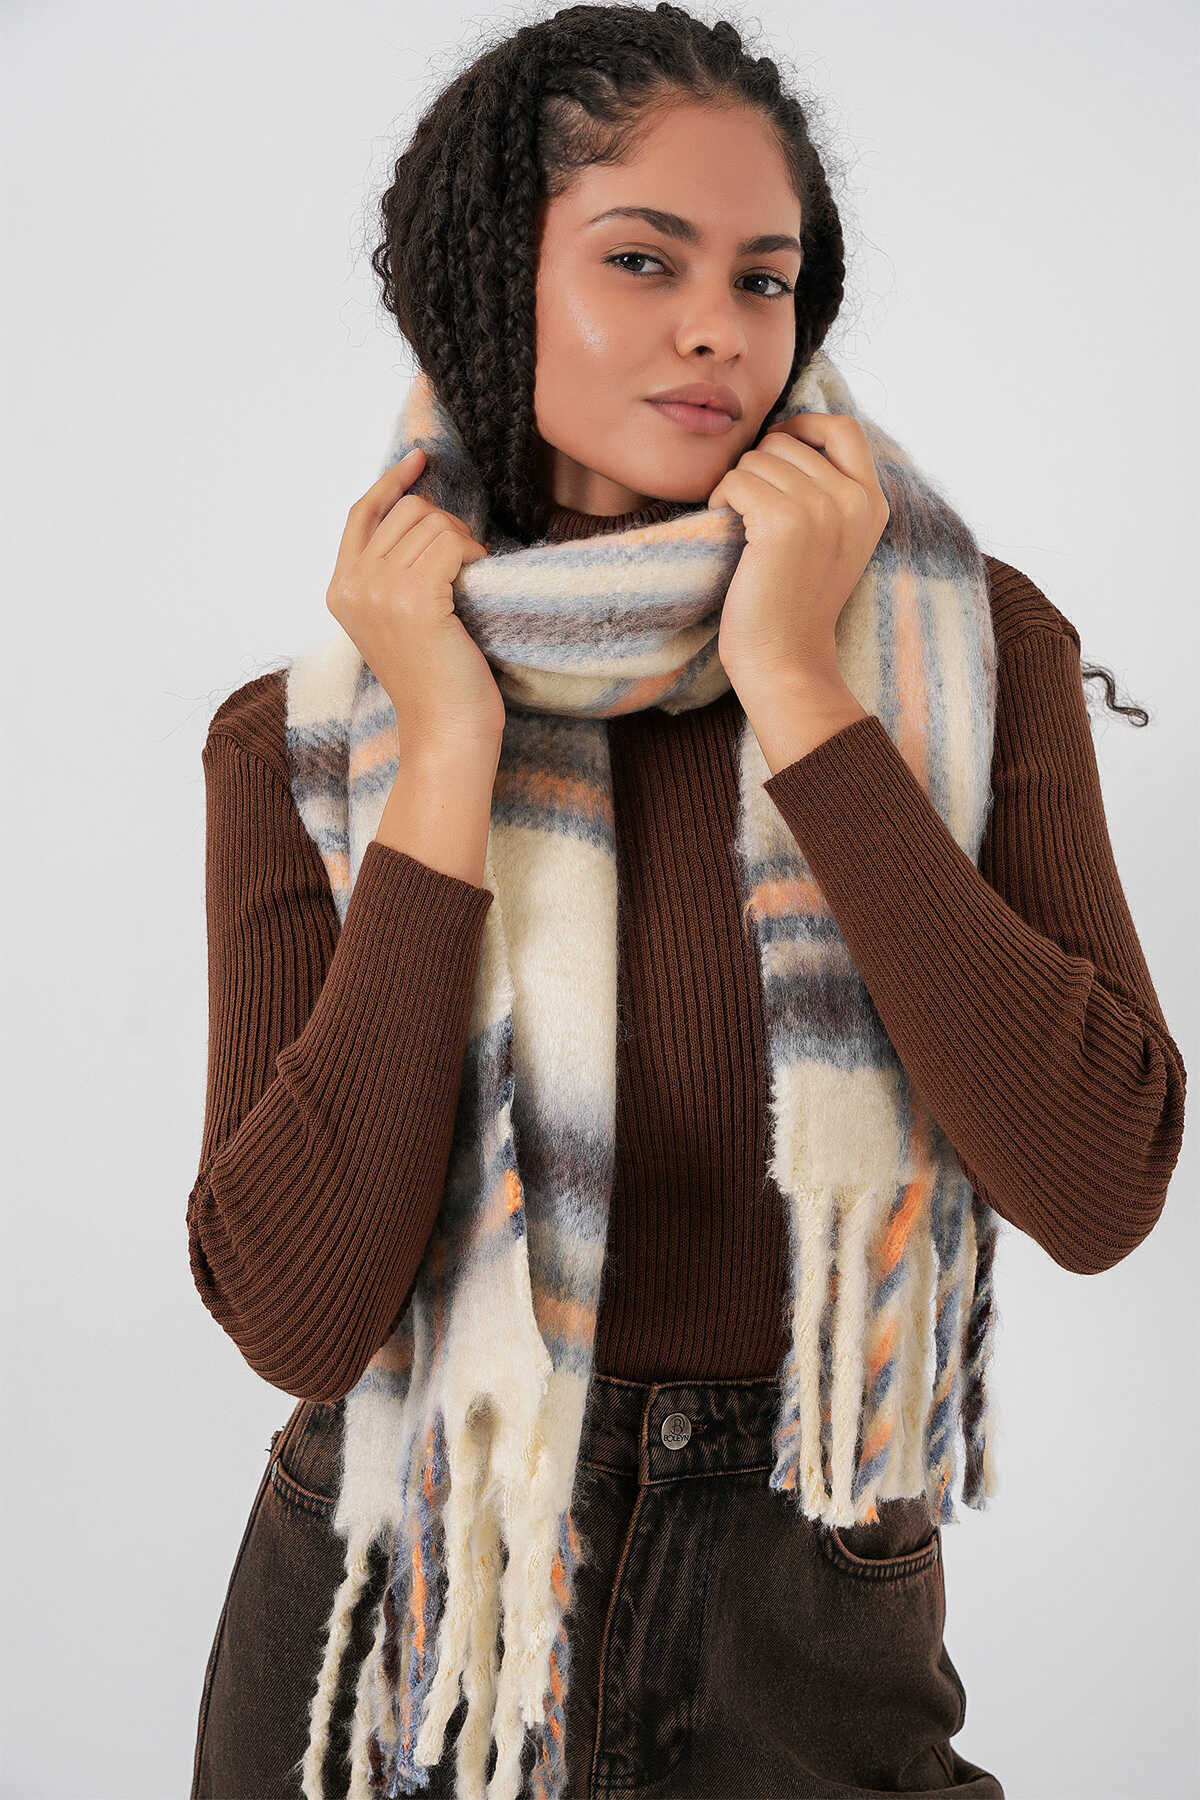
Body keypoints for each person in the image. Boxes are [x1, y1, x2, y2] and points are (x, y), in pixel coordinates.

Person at [186, 7, 1186, 1798]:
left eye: (764, 278)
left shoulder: (960, 651)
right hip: (411, 1610)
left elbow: (1100, 1183)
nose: (720, 325)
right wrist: (446, 749)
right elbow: (298, 1316)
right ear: (490, 283)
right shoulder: (311, 739)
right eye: (642, 260)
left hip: (804, 1613)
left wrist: (796, 684)